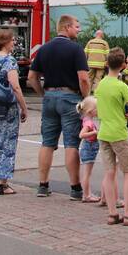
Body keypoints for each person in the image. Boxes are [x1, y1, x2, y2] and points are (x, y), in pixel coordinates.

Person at [27, 14, 90, 199]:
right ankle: (75, 188)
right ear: (67, 27)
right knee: (71, 143)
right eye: (77, 26)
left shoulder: (44, 49)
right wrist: (86, 98)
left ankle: (43, 185)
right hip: (70, 98)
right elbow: (84, 78)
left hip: (49, 98)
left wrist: (43, 94)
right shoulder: (75, 49)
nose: (79, 30)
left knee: (47, 142)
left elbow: (32, 77)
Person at [95, 48, 128, 226]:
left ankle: (112, 213)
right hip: (119, 133)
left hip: (104, 131)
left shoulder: (101, 84)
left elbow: (99, 107)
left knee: (109, 172)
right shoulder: (122, 86)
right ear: (123, 65)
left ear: (107, 64)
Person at [0, 29, 29, 195]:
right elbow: (15, 86)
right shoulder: (9, 61)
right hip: (6, 108)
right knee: (6, 143)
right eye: (12, 40)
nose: (14, 43)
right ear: (5, 42)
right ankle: (3, 183)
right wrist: (23, 107)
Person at [76, 95, 102, 203]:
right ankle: (86, 195)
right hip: (89, 147)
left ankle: (87, 194)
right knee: (87, 173)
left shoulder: (87, 119)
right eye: (97, 109)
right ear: (91, 111)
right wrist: (95, 132)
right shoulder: (88, 123)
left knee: (87, 173)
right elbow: (81, 135)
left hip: (89, 147)